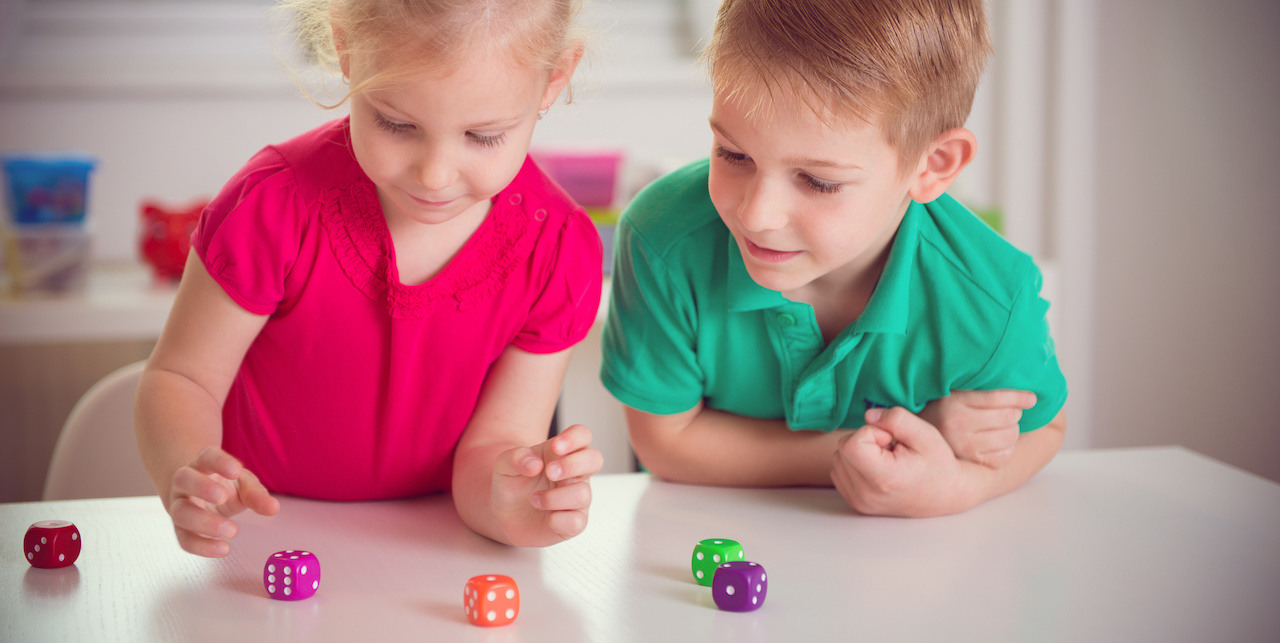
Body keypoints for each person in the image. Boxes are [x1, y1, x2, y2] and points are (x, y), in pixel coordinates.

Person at [135, 0, 604, 557]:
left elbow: (492, 450)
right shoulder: (272, 206)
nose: (434, 176)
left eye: (483, 136)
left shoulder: (557, 252)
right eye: (396, 123)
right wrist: (189, 471)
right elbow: (181, 379)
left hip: (432, 551)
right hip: (258, 538)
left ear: (554, 80)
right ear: (346, 50)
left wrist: (511, 506)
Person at [601, 0, 1067, 517]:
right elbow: (665, 444)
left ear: (932, 165)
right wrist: (906, 437)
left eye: (819, 181)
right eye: (734, 155)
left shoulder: (990, 296)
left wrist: (959, 486)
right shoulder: (661, 238)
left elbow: (1044, 426)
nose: (758, 214)